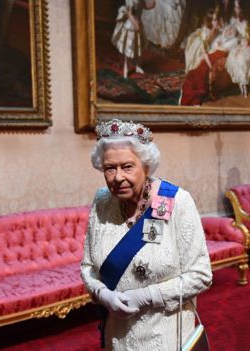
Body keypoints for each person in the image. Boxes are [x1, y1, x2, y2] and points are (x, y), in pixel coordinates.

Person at [80, 119, 213, 350]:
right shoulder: (102, 202)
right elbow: (88, 267)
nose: (117, 177)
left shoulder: (176, 202)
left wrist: (146, 296)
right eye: (110, 168)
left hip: (167, 336)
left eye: (127, 166)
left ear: (147, 166)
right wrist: (103, 295)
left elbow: (201, 275)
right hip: (118, 336)